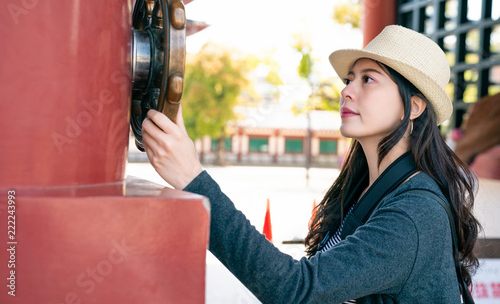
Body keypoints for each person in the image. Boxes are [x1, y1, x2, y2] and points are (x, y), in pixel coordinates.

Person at [141, 25, 481, 303]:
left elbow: (297, 290)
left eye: (368, 79)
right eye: (349, 79)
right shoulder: (369, 189)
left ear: (416, 107)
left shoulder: (414, 213)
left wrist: (194, 180)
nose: (347, 91)